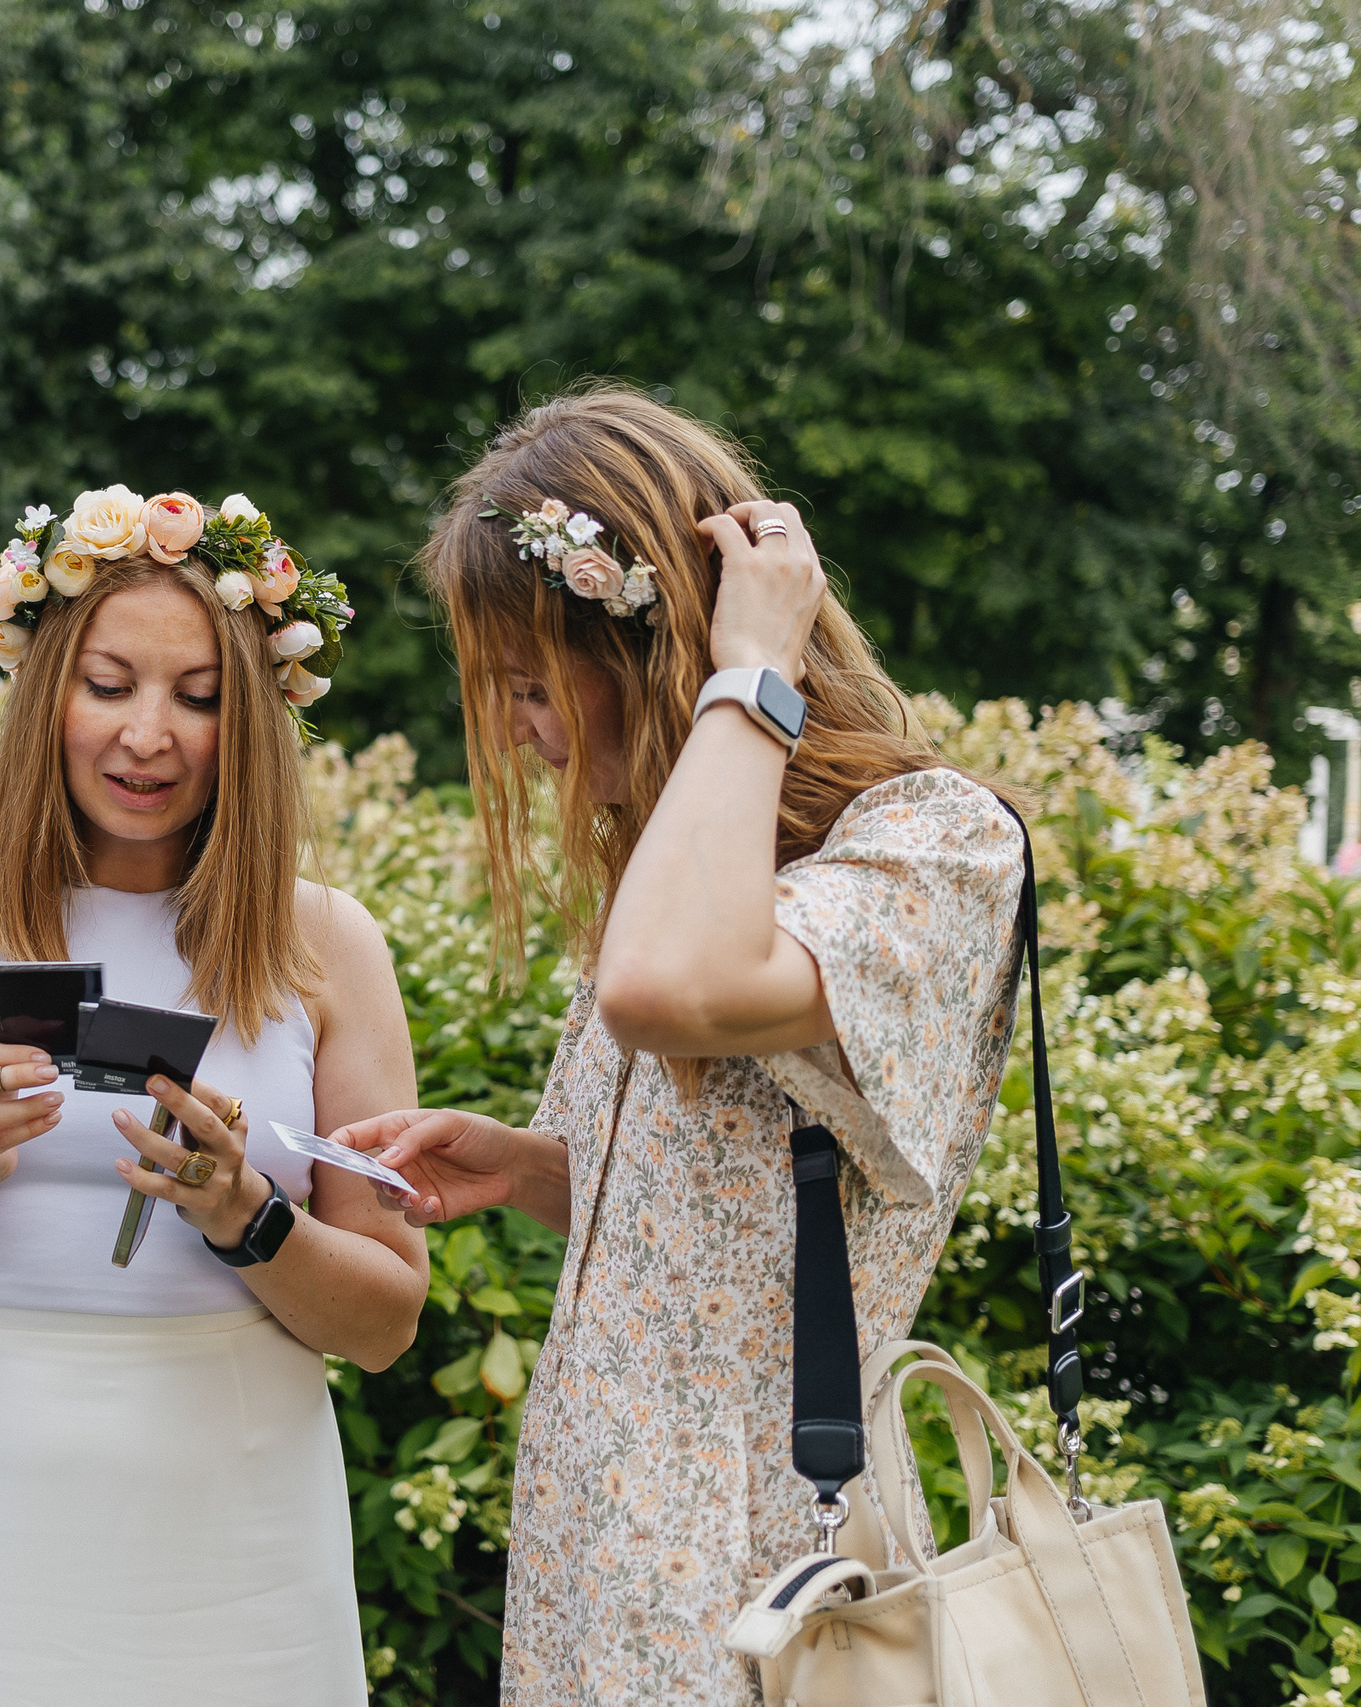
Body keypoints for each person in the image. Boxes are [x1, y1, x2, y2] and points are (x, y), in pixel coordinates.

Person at [333, 384, 1026, 1706]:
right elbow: (716, 1223)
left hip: (759, 1560)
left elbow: (662, 990)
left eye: (532, 685)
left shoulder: (927, 842)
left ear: (658, 651)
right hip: (598, 1545)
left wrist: (749, 671)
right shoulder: (682, 863)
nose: (520, 731)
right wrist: (529, 1168)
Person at [0, 486, 426, 1705]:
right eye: (109, 684)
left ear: (252, 723)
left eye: (200, 697)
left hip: (237, 1515)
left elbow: (385, 1322)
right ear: (46, 694)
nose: (149, 735)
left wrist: (247, 1215)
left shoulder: (327, 945)